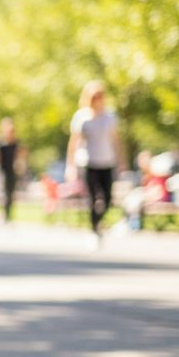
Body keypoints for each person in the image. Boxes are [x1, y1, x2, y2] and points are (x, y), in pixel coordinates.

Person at [65, 80, 125, 246]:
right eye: (94, 96)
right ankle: (93, 230)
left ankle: (98, 223)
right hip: (89, 162)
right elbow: (74, 142)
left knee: (107, 198)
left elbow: (116, 140)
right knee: (92, 198)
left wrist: (121, 161)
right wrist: (70, 165)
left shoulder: (110, 116)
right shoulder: (82, 117)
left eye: (100, 96)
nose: (97, 99)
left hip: (107, 161)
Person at [0, 117, 27, 222]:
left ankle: (7, 215)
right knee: (1, 193)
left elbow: (21, 155)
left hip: (11, 171)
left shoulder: (16, 142)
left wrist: (21, 165)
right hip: (1, 171)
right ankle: (1, 213)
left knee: (10, 193)